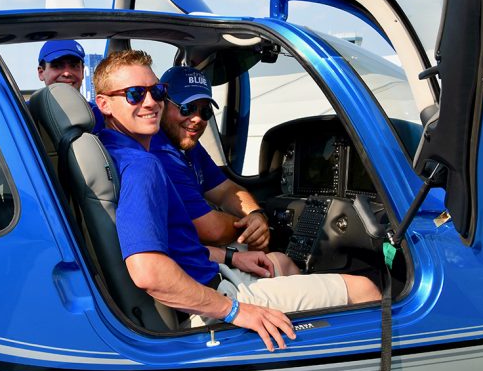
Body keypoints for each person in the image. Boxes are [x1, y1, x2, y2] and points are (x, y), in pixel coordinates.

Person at [94, 50, 380, 351]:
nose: (150, 102)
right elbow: (149, 271)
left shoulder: (116, 150)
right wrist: (235, 311)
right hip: (209, 302)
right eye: (135, 94)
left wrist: (232, 256)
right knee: (364, 289)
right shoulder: (144, 165)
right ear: (104, 104)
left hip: (209, 276)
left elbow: (174, 243)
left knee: (282, 263)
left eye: (157, 92)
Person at [152, 66, 270, 251]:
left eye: (205, 111)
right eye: (187, 108)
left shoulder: (189, 147)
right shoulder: (159, 152)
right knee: (277, 260)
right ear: (162, 104)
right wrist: (250, 229)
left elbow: (226, 190)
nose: (197, 119)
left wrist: (256, 214)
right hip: (177, 256)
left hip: (195, 250)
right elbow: (212, 230)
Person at [37, 40, 103, 133]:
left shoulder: (98, 115)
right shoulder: (25, 114)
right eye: (57, 66)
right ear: (41, 73)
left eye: (74, 66)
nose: (67, 73)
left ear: (82, 71)